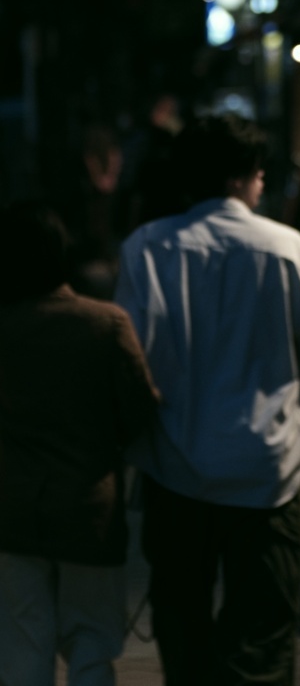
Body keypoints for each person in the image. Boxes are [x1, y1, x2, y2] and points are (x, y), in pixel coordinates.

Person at [114, 114, 300, 686]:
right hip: (267, 474)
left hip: (175, 470)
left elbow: (127, 357)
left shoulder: (146, 249)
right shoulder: (289, 249)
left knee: (182, 623)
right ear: (250, 176)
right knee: (262, 632)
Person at [0, 201, 160, 686]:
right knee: (91, 639)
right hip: (89, 509)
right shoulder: (105, 323)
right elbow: (140, 413)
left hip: (11, 510)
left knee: (23, 642)